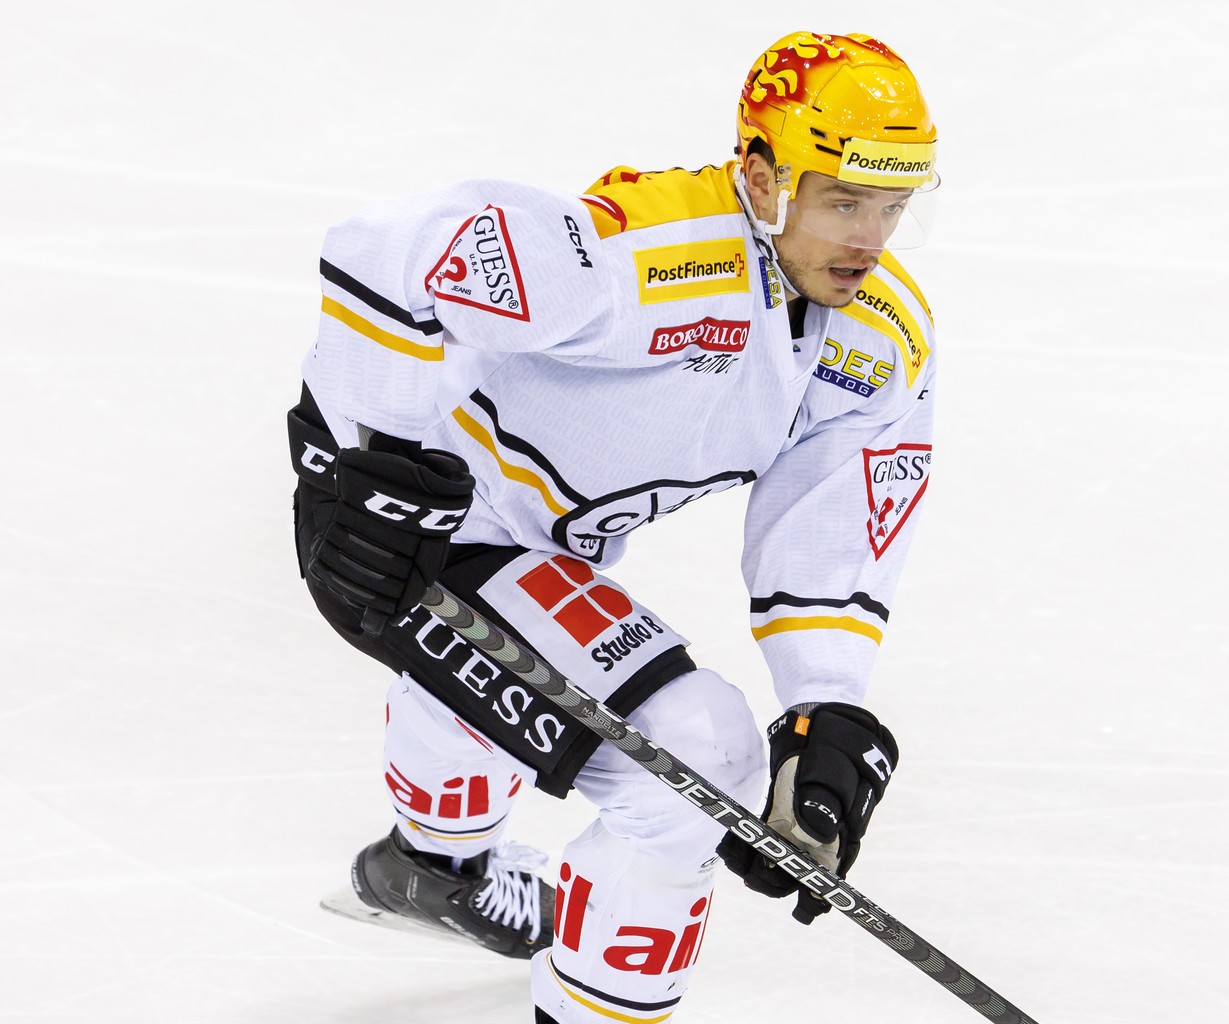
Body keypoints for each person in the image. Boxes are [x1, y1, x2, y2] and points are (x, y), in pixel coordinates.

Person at [287, 30, 939, 1024]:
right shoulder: (649, 253)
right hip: (413, 525)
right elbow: (392, 250)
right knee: (701, 757)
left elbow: (832, 526)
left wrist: (827, 708)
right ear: (762, 178)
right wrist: (363, 467)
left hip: (528, 545)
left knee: (553, 650)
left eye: (892, 206)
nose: (868, 238)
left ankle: (431, 863)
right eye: (842, 200)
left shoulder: (878, 348)